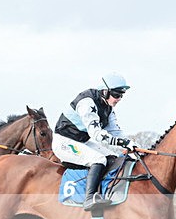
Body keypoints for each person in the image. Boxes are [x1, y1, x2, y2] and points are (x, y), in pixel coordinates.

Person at [53, 73, 138, 211]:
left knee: (112, 158)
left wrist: (132, 144)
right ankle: (89, 198)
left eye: (121, 96)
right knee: (98, 159)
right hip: (64, 141)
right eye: (116, 95)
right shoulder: (87, 103)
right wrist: (123, 143)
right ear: (105, 91)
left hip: (82, 141)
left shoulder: (108, 107)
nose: (119, 99)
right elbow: (97, 134)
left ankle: (104, 193)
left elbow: (115, 132)